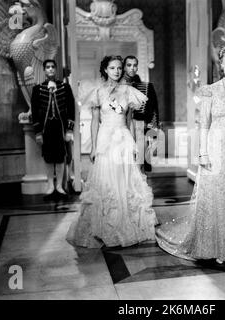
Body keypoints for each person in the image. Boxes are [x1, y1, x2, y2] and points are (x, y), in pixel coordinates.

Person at [156, 43, 225, 264]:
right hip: (215, 150)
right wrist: (202, 154)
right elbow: (203, 125)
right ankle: (214, 246)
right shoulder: (209, 91)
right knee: (216, 197)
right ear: (220, 64)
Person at [66, 55, 157, 248]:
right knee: (106, 182)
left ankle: (127, 223)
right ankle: (105, 225)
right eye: (112, 68)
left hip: (123, 139)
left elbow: (131, 120)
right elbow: (94, 122)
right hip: (105, 140)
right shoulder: (97, 92)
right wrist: (93, 147)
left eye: (118, 68)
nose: (116, 71)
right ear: (105, 70)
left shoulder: (129, 91)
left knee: (125, 181)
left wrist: (133, 144)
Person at [31, 59, 75, 196]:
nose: (50, 69)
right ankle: (50, 186)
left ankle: (59, 186)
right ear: (44, 70)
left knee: (61, 156)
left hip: (60, 127)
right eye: (47, 67)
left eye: (52, 67)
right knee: (49, 157)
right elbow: (35, 111)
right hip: (46, 127)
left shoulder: (65, 87)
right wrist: (38, 132)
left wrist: (69, 129)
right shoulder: (37, 89)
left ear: (55, 70)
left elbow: (71, 109)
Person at [121, 56, 159, 172]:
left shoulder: (146, 87)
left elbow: (154, 109)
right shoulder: (117, 86)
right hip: (121, 124)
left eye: (135, 65)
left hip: (139, 124)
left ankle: (139, 182)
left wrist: (153, 129)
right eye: (129, 65)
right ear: (123, 67)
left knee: (139, 156)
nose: (132, 68)